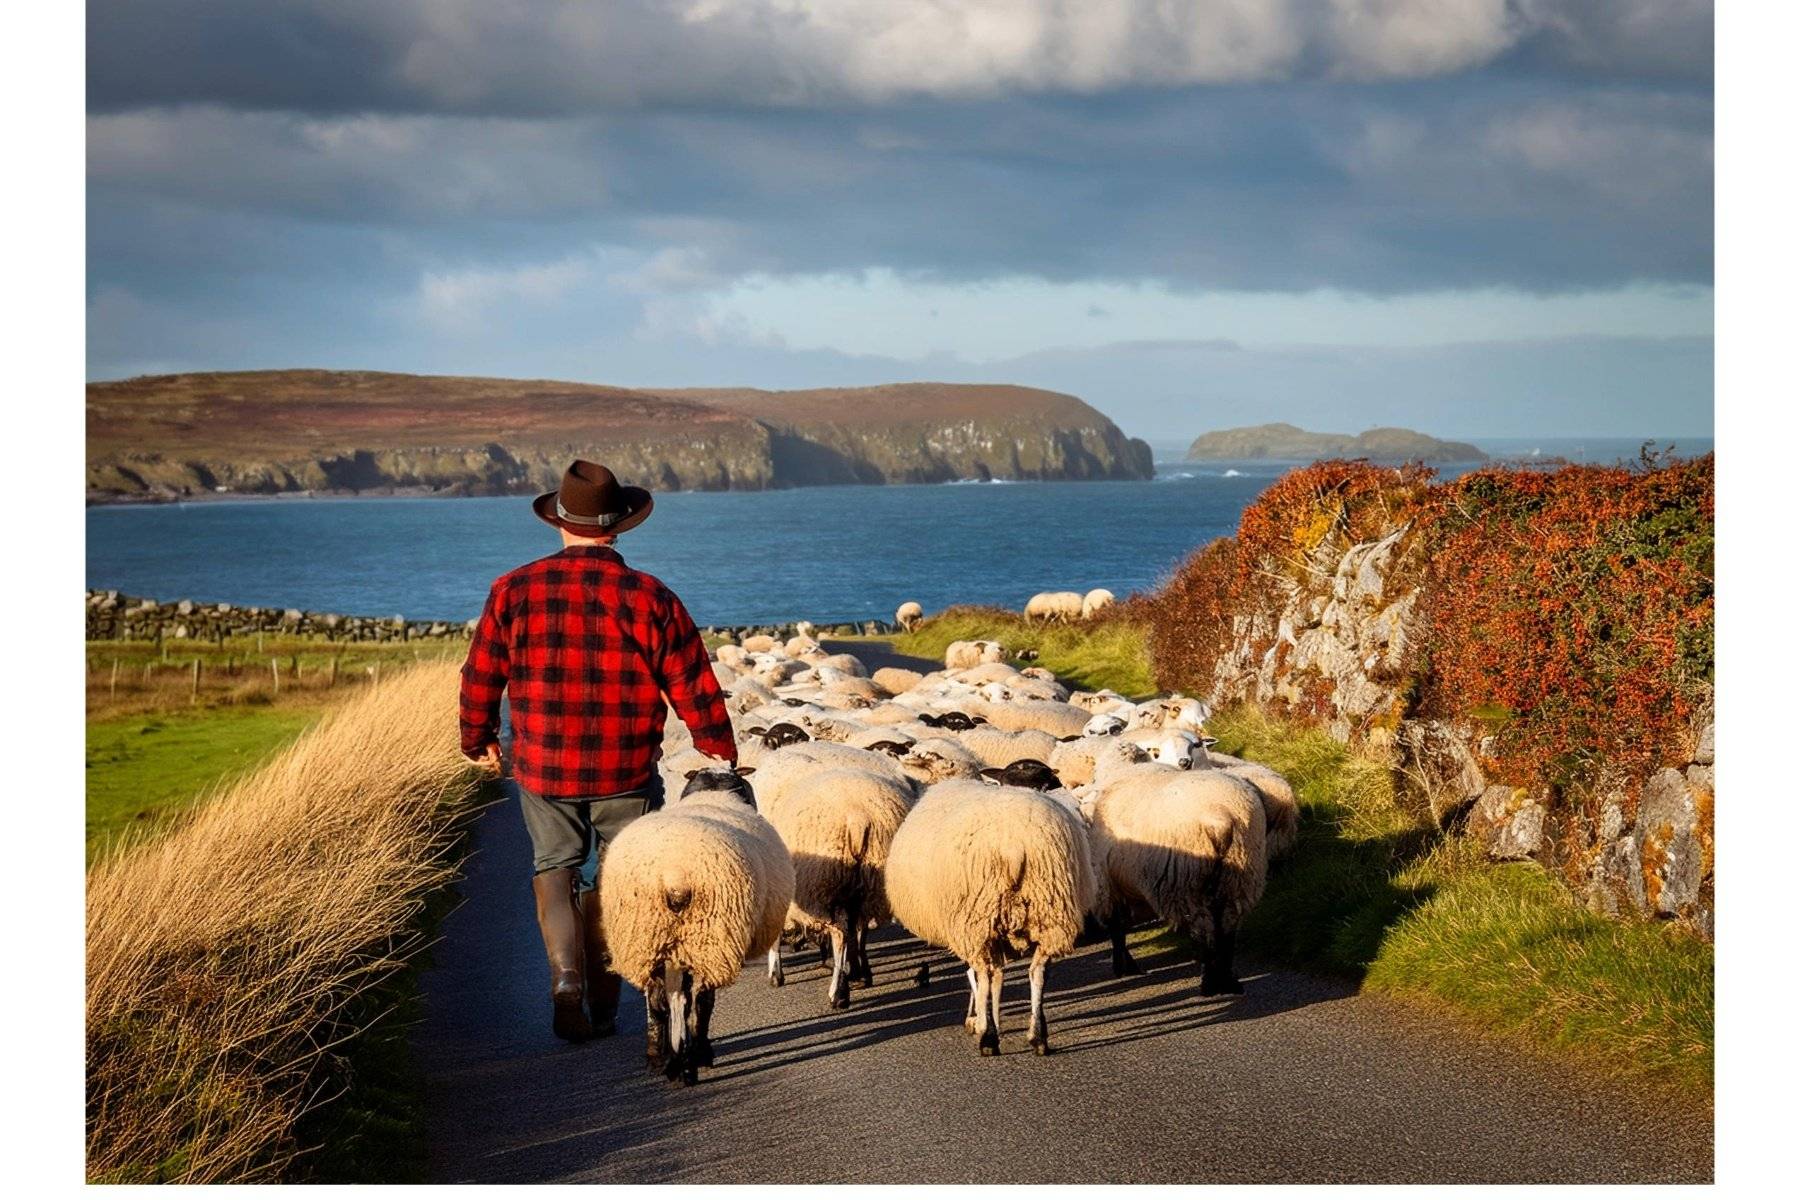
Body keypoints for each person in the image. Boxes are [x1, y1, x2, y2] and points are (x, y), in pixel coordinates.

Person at [459, 460, 737, 1041]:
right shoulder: (651, 595)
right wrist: (716, 745)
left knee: (555, 868)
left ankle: (566, 982)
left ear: (560, 522)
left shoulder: (512, 590)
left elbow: (481, 672)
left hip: (544, 767)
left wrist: (478, 736)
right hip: (627, 768)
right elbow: (691, 677)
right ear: (618, 529)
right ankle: (609, 1004)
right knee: (620, 880)